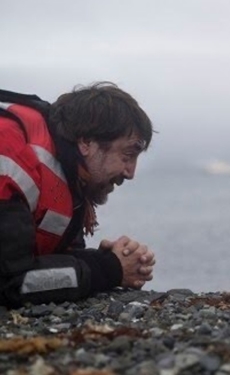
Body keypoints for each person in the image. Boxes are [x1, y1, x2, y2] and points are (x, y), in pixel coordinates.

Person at [0, 82, 156, 307]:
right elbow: (11, 282)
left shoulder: (69, 175)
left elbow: (43, 260)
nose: (130, 172)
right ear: (86, 142)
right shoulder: (10, 159)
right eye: (127, 154)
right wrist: (109, 269)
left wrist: (101, 260)